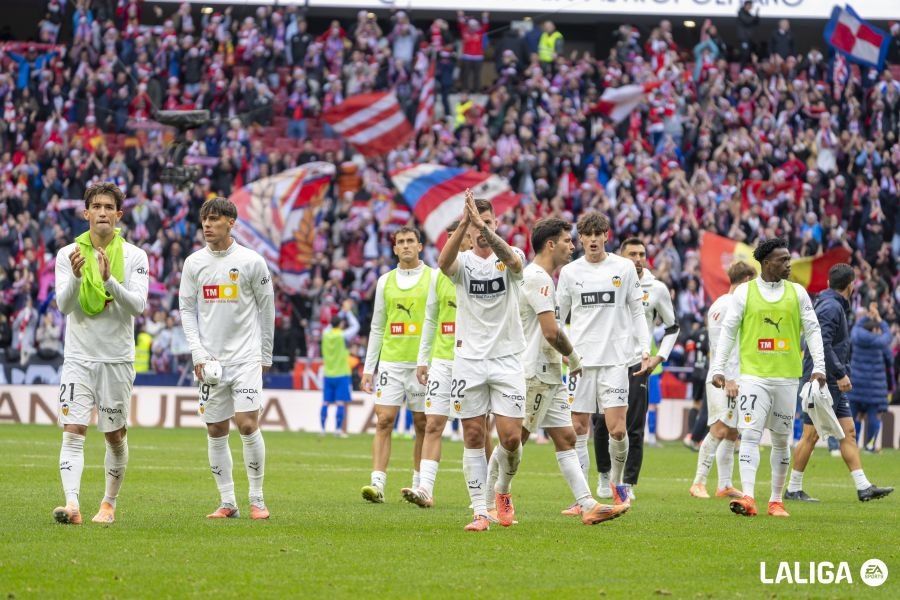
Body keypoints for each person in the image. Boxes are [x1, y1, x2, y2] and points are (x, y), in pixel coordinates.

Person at [496, 216, 628, 525]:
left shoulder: (541, 277)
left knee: (567, 437)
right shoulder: (539, 278)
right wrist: (575, 357)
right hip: (535, 373)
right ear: (551, 244)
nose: (574, 246)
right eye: (569, 240)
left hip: (550, 373)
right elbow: (551, 332)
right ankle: (494, 498)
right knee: (515, 439)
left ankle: (587, 504)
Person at [52, 182, 149, 525]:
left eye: (109, 207)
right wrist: (78, 278)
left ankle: (108, 503)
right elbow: (63, 306)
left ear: (119, 215)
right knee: (73, 429)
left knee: (114, 435)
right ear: (87, 213)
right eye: (97, 206)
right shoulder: (68, 255)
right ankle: (73, 504)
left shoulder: (136, 256)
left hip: (117, 359)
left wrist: (110, 281)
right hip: (78, 357)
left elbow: (138, 306)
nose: (103, 212)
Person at [711, 238, 826, 518]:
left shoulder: (798, 293)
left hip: (787, 377)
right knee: (749, 434)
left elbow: (812, 329)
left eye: (789, 259)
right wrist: (719, 368)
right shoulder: (745, 293)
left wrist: (819, 366)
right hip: (753, 377)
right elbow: (728, 330)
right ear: (765, 263)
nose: (789, 264)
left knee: (781, 440)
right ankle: (749, 497)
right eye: (783, 260)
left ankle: (776, 500)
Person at [179, 197, 275, 520]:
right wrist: (198, 352)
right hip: (210, 363)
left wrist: (265, 353)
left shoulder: (251, 261)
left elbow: (267, 308)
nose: (207, 225)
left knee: (247, 424)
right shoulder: (194, 263)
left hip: (246, 358)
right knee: (216, 429)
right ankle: (228, 501)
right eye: (204, 219)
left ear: (231, 222)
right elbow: (186, 309)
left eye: (215, 219)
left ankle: (258, 499)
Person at [437, 190, 527, 531]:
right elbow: (444, 263)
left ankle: (501, 490)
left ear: (496, 224)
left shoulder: (511, 255)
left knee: (510, 439)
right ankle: (479, 510)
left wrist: (483, 227)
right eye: (476, 224)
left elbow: (516, 264)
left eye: (487, 223)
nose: (480, 230)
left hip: (506, 359)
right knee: (473, 434)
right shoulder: (464, 264)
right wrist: (465, 224)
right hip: (469, 360)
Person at [557, 213, 653, 507]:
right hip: (580, 362)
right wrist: (561, 348)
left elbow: (637, 311)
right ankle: (582, 497)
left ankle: (617, 482)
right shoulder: (570, 272)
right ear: (581, 239)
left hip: (615, 360)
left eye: (599, 233)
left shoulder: (623, 268)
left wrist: (645, 348)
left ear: (606, 236)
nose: (594, 239)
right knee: (577, 428)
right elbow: (559, 315)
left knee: (618, 429)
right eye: (588, 234)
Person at [786, 266, 893, 502]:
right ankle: (793, 488)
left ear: (828, 281)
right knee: (811, 435)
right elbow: (821, 344)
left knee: (849, 433)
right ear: (851, 285)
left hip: (830, 379)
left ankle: (863, 486)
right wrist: (839, 373)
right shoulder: (831, 307)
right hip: (822, 379)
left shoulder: (831, 305)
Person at [593, 237, 678, 500]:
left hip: (637, 364)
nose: (638, 258)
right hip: (606, 361)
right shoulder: (606, 280)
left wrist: (658, 357)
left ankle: (627, 483)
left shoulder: (657, 289)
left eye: (642, 254)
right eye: (632, 254)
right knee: (600, 423)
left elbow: (672, 327)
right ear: (621, 256)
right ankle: (604, 475)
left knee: (634, 426)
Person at [359, 225, 430, 503]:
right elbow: (377, 326)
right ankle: (377, 484)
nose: (406, 245)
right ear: (394, 248)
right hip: (391, 362)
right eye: (400, 242)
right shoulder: (385, 281)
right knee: (384, 420)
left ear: (420, 246)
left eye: (411, 240)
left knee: (422, 423)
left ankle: (418, 484)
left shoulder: (433, 278)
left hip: (421, 364)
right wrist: (368, 368)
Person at [404, 221, 471, 508]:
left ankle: (487, 493)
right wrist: (423, 360)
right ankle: (425, 490)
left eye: (461, 238)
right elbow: (431, 318)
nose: (454, 244)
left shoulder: (479, 273)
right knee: (433, 424)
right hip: (442, 360)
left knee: (476, 427)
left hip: (473, 359)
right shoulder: (436, 277)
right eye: (450, 239)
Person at [689, 261, 757, 499]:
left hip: (734, 377)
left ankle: (725, 484)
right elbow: (720, 346)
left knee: (731, 432)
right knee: (719, 429)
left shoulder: (721, 303)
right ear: (747, 280)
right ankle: (698, 482)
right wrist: (728, 377)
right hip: (724, 378)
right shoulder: (729, 305)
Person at [848, 304, 894, 454]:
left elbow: (856, 325)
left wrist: (868, 316)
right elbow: (888, 338)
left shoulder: (855, 335)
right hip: (875, 387)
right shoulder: (880, 342)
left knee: (854, 417)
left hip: (856, 385)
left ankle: (851, 445)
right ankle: (869, 446)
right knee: (873, 417)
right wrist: (879, 319)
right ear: (874, 329)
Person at [320, 299, 360, 437]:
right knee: (340, 402)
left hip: (328, 373)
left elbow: (333, 322)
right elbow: (356, 326)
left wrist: (342, 312)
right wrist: (347, 312)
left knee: (325, 402)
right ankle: (337, 430)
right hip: (342, 374)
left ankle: (323, 430)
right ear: (341, 324)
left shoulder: (325, 334)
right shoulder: (342, 335)